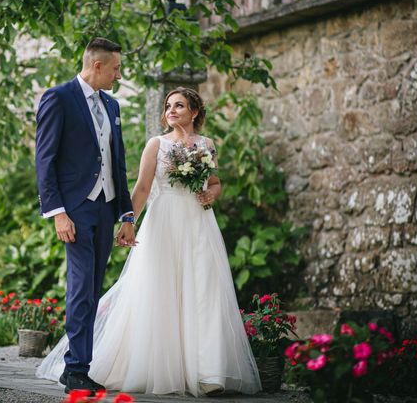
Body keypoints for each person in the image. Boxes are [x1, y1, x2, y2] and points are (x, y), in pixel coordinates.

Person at [37, 87, 262, 396]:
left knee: (203, 291)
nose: (171, 110)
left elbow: (215, 182)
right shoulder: (156, 144)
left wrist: (212, 194)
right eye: (168, 105)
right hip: (163, 222)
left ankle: (208, 372)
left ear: (194, 112)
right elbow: (141, 188)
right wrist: (128, 222)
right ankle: (154, 367)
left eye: (179, 105)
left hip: (198, 223)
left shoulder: (207, 145)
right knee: (159, 290)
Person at [35, 37, 136, 395]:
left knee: (93, 288)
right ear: (97, 66)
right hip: (75, 210)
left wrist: (126, 214)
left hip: (105, 208)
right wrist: (58, 213)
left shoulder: (112, 105)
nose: (119, 74)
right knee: (81, 289)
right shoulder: (58, 98)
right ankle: (75, 369)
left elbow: (118, 163)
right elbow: (45, 160)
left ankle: (79, 366)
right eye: (116, 68)